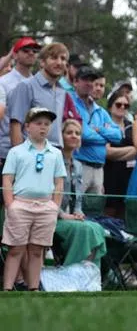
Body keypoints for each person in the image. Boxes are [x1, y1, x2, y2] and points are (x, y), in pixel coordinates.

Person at [2, 107, 66, 291]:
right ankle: (7, 288)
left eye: (47, 124)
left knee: (37, 250)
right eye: (38, 123)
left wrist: (55, 206)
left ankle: (34, 288)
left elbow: (59, 183)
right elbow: (7, 179)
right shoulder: (16, 152)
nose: (43, 127)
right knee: (16, 249)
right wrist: (10, 204)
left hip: (46, 206)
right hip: (20, 204)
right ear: (27, 127)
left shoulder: (55, 153)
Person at [54, 118, 108, 266]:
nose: (74, 136)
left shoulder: (78, 165)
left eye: (77, 133)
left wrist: (78, 212)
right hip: (53, 217)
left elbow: (78, 197)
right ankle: (72, 271)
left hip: (70, 216)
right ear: (61, 136)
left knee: (96, 228)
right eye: (69, 132)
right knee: (84, 230)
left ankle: (88, 275)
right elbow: (46, 195)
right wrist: (62, 214)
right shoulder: (53, 160)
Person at [69, 65, 122, 197]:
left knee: (95, 211)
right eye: (85, 79)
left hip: (99, 169)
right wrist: (105, 136)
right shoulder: (70, 102)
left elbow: (118, 136)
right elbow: (84, 134)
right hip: (80, 165)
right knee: (75, 208)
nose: (89, 83)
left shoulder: (100, 110)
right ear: (76, 81)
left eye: (91, 80)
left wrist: (99, 129)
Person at [6, 42, 70, 150]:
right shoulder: (26, 86)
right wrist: (20, 158)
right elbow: (15, 125)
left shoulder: (62, 91)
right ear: (42, 62)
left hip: (55, 154)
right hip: (32, 153)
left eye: (63, 59)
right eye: (54, 58)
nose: (59, 62)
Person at [0, 37, 41, 168]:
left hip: (33, 152)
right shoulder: (3, 82)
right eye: (26, 50)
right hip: (5, 151)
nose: (31, 53)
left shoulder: (38, 84)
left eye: (34, 51)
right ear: (15, 55)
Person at [102, 87, 135, 218]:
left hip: (129, 175)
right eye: (118, 104)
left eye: (126, 105)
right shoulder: (105, 124)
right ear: (110, 107)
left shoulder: (131, 126)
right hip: (109, 173)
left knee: (124, 211)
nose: (122, 107)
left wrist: (119, 153)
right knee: (109, 210)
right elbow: (107, 152)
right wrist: (132, 150)